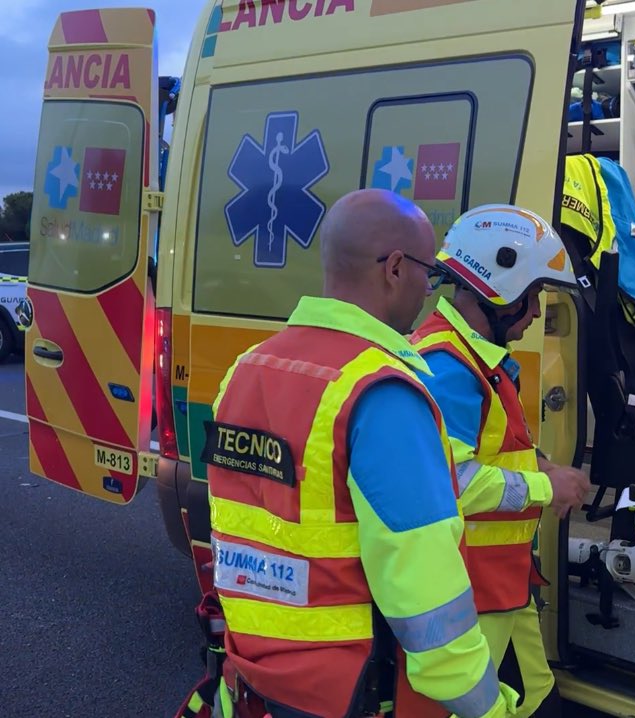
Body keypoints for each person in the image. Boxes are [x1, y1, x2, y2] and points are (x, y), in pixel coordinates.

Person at [202, 189, 518, 718]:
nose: (430, 293)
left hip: (252, 678)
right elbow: (427, 596)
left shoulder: (245, 370)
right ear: (395, 268)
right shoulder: (381, 393)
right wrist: (486, 707)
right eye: (429, 274)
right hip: (347, 691)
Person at [411, 204, 590, 718]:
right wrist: (544, 489)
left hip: (504, 588)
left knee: (538, 705)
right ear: (499, 288)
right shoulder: (448, 367)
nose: (536, 313)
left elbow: (496, 445)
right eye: (532, 297)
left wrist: (545, 467)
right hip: (473, 599)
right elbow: (451, 481)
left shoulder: (476, 361)